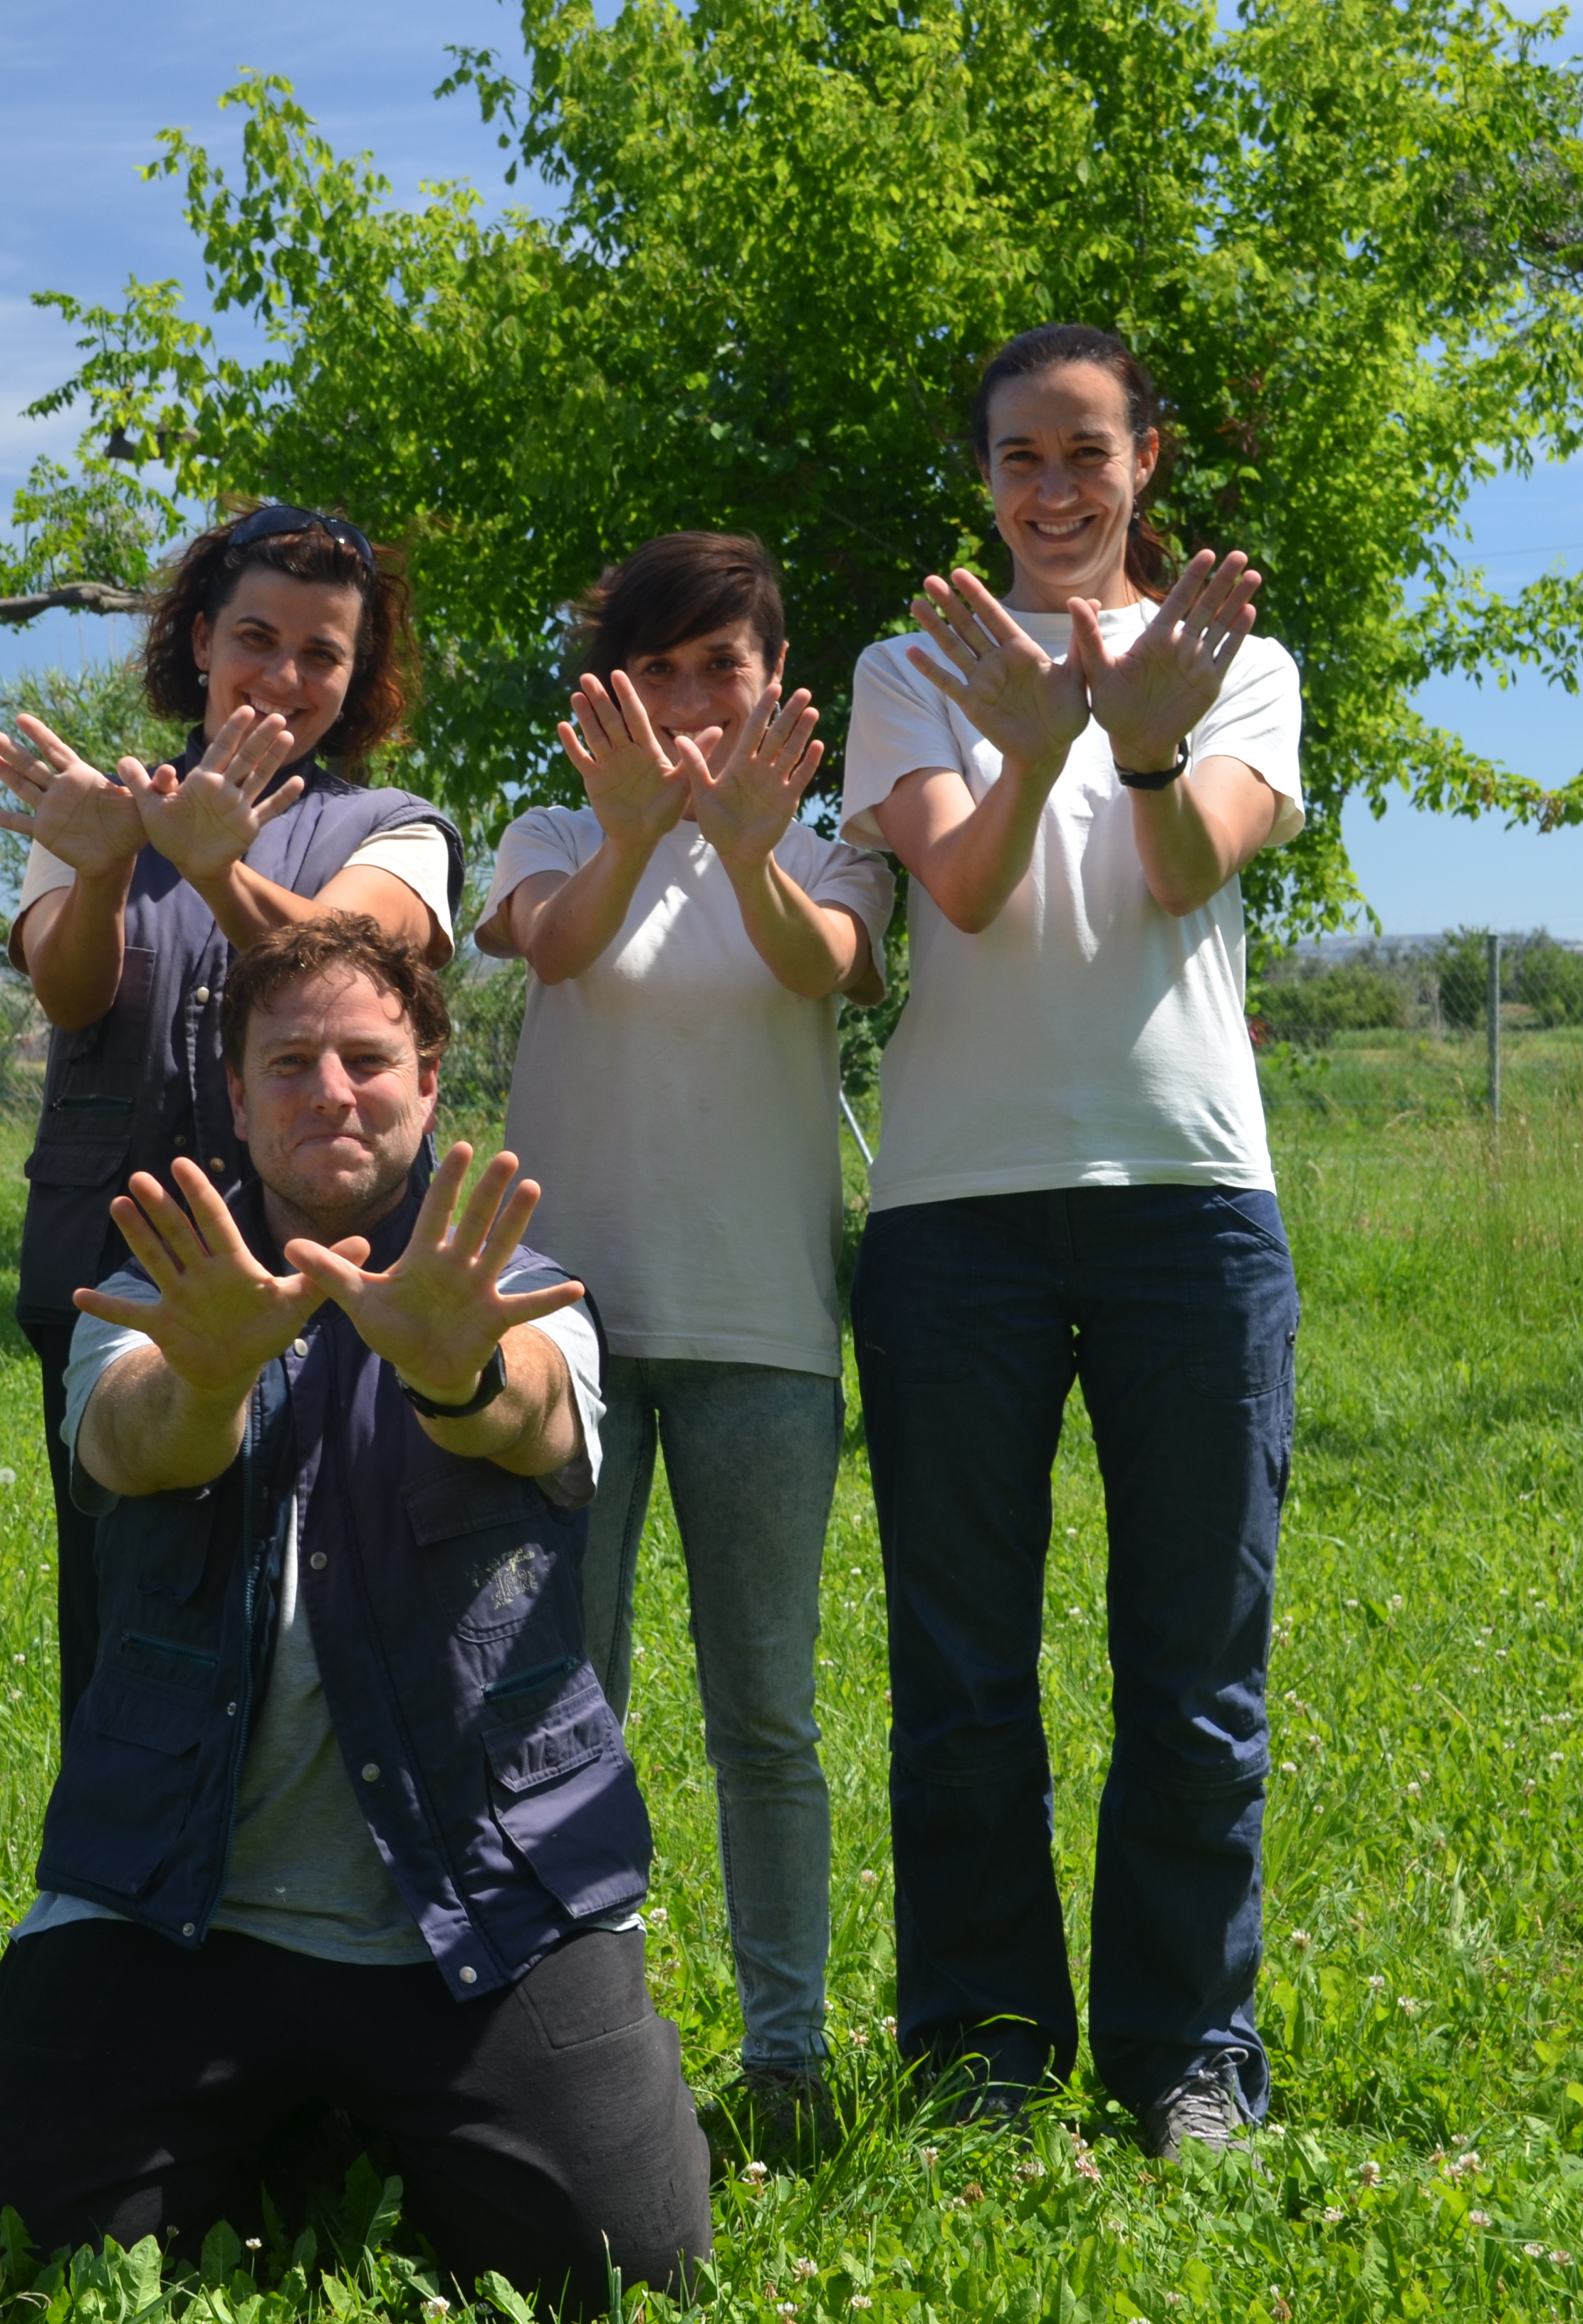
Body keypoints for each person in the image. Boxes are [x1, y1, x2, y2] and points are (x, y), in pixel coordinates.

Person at [0, 916, 711, 2311]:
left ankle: (328, 2113)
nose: (331, 1091)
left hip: (481, 1899)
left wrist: (458, 1373)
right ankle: (286, 2111)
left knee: (627, 2263)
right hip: (177, 1903)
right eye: (289, 1063)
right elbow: (129, 1449)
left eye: (367, 1058)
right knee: (2, 2254)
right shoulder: (156, 1283)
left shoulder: (518, 1290)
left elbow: (530, 1422)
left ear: (428, 1079)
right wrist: (208, 1376)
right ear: (234, 1095)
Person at [837, 323, 1302, 2153]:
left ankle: (1188, 2057)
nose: (1052, 490)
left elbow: (1189, 866)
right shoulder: (911, 666)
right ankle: (983, 2048)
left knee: (1196, 1665)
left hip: (1189, 1205)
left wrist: (1134, 743)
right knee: (962, 1675)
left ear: (1146, 466)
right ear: (984, 477)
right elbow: (955, 880)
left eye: (1086, 454)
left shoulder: (1234, 662)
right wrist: (1033, 745)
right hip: (954, 1216)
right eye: (1019, 457)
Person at [473, 532, 891, 2150]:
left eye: (723, 665)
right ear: (611, 691)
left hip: (763, 1333)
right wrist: (641, 837)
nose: (693, 697)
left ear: (776, 681)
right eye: (659, 669)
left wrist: (743, 851)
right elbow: (555, 945)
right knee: (569, 1697)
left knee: (765, 1714)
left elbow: (824, 968)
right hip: (561, 1339)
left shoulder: (828, 846)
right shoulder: (553, 831)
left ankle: (786, 2057)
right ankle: (589, 2044)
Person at [0, 505, 464, 1723]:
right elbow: (67, 986)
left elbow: (349, 962)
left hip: (329, 1263)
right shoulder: (93, 811)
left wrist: (211, 866)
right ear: (199, 640)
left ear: (357, 680)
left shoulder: (398, 828)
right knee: (122, 1609)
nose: (286, 675)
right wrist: (102, 866)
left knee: (329, 1595)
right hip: (112, 1262)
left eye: (324, 654)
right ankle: (111, 1882)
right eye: (258, 636)